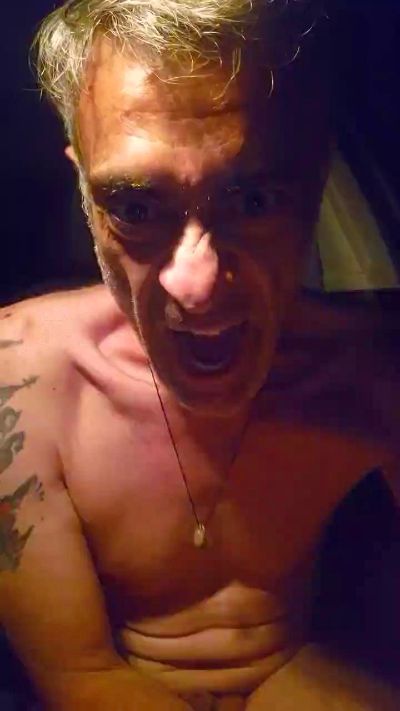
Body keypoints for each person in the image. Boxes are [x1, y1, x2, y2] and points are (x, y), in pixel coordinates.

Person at [0, 1, 399, 709]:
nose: (198, 285)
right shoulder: (21, 379)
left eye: (254, 199)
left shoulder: (371, 373)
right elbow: (77, 675)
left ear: (314, 184)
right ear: (84, 191)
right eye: (135, 206)